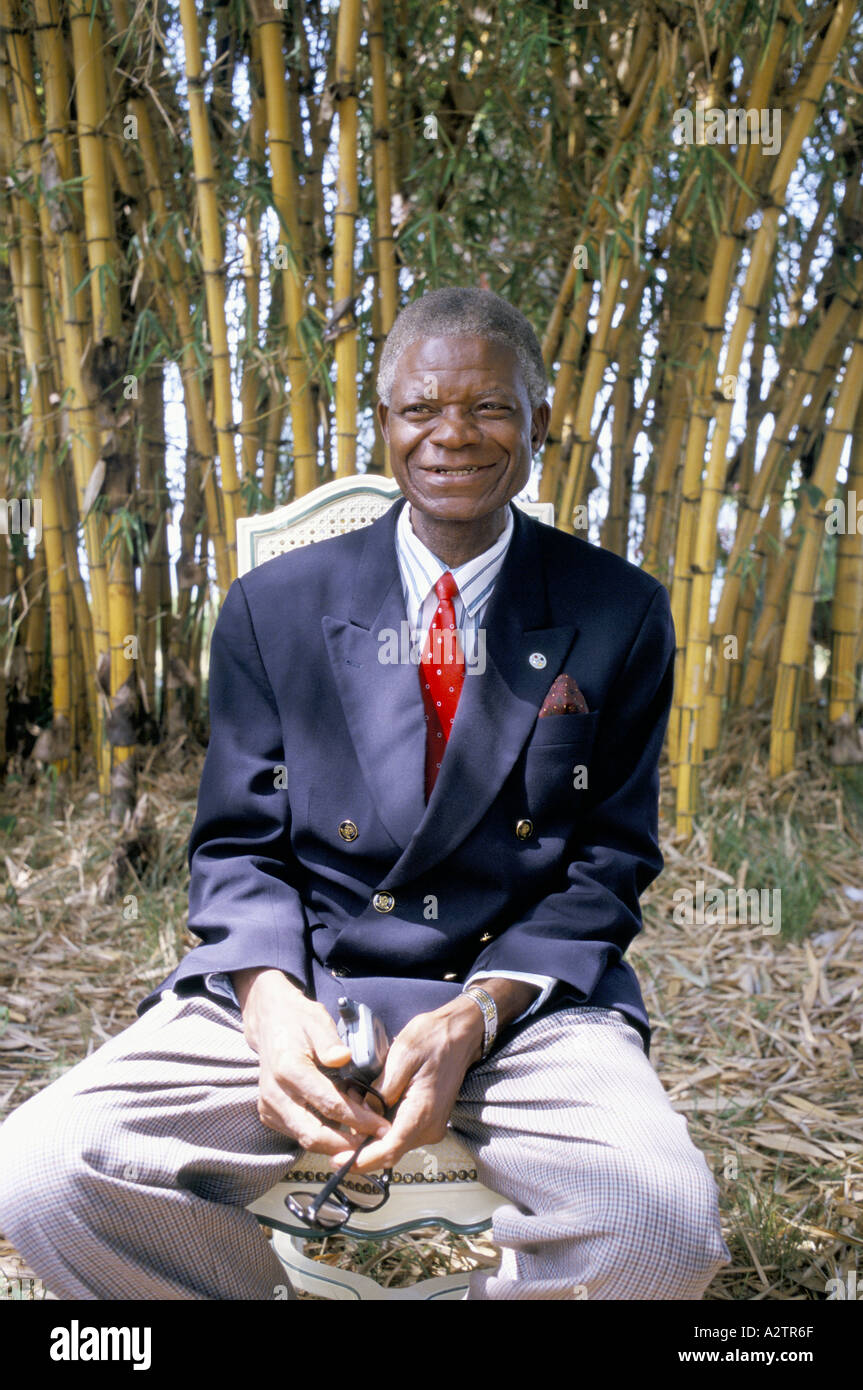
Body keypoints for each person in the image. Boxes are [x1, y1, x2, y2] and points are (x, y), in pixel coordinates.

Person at [0, 288, 730, 1299]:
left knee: (661, 1225)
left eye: (487, 408)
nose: (451, 436)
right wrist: (266, 1003)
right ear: (383, 424)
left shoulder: (617, 611)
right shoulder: (275, 606)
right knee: (40, 1170)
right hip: (310, 975)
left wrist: (477, 1012)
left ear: (539, 425)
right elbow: (237, 849)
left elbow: (607, 863)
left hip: (516, 1002)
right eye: (420, 409)